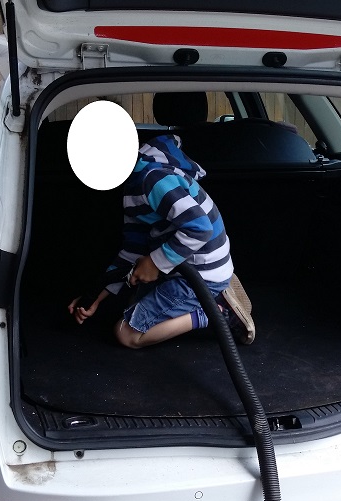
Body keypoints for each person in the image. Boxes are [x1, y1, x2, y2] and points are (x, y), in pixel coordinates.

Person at [68, 132, 255, 348]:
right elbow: (133, 250)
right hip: (195, 267)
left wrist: (155, 263)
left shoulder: (152, 180)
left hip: (199, 275)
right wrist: (95, 295)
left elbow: (200, 228)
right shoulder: (138, 180)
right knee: (134, 305)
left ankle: (215, 311)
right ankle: (211, 294)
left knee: (126, 333)